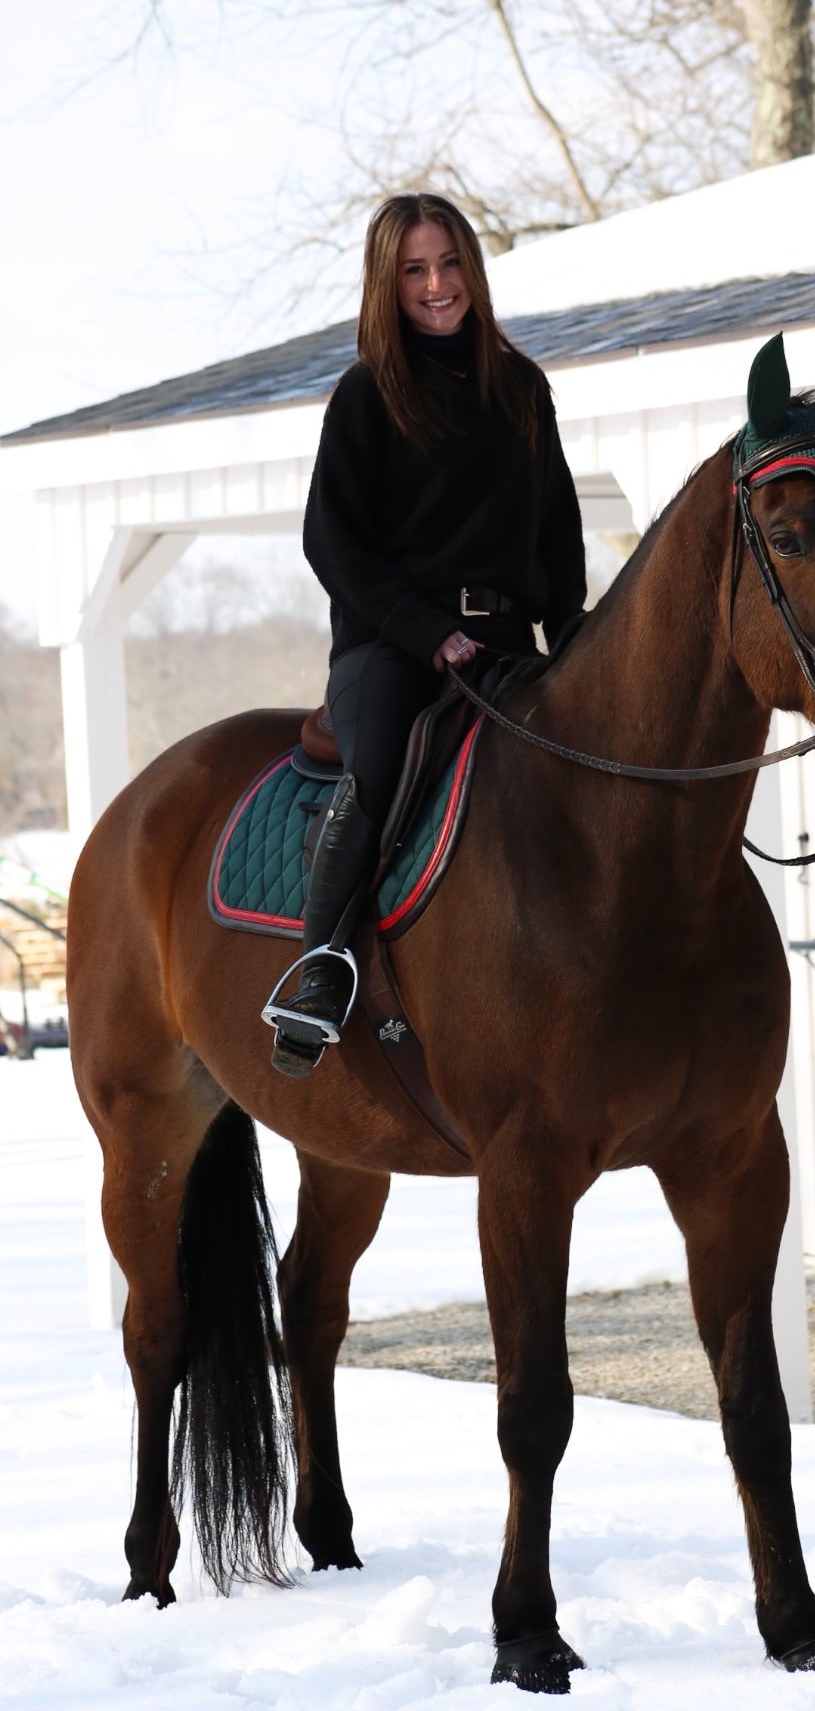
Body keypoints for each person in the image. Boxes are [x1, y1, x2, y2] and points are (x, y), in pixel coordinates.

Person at [262, 193, 586, 1077]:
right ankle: (319, 969)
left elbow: (556, 527)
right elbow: (330, 540)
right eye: (415, 270)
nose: (437, 285)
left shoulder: (522, 388)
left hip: (510, 642)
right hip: (390, 646)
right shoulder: (367, 395)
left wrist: (573, 635)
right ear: (388, 284)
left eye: (449, 264)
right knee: (376, 776)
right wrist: (422, 628)